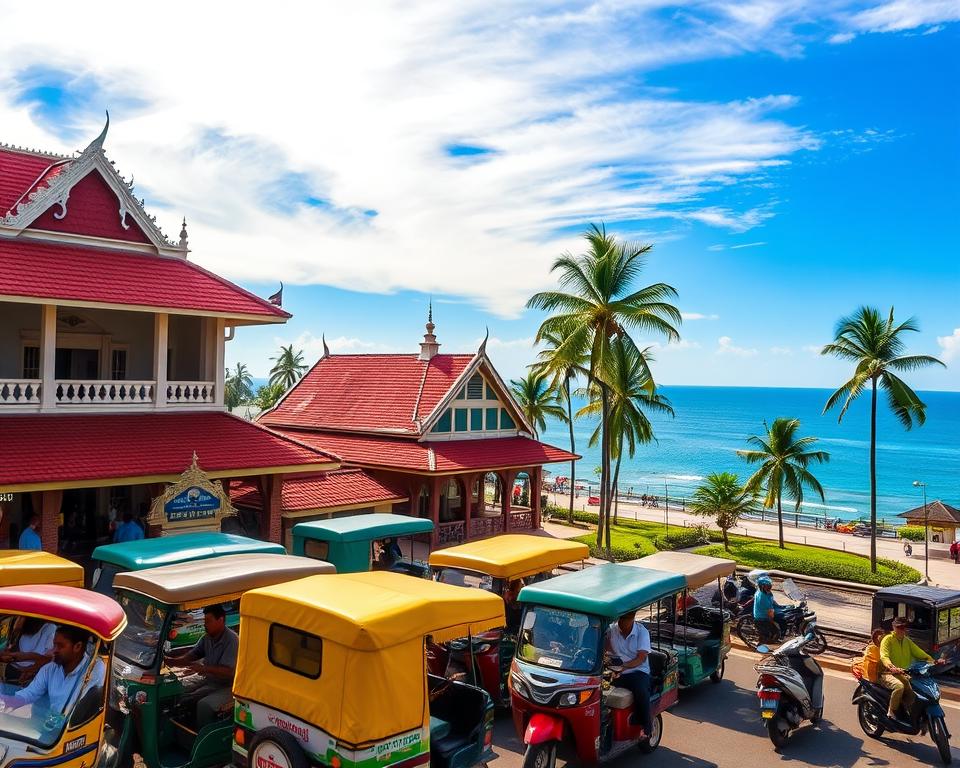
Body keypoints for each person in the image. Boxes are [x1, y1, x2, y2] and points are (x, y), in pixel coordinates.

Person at [0, 624, 104, 714]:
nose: (54, 650)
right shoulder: (49, 669)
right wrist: (6, 701)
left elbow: (71, 708)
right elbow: (30, 693)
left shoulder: (94, 668)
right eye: (54, 645)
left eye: (60, 646)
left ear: (77, 646)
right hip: (53, 728)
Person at [164, 605, 238, 728]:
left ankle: (201, 735)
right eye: (204, 621)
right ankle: (182, 725)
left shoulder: (232, 640)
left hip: (227, 686)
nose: (205, 624)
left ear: (221, 620)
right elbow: (192, 656)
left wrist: (203, 668)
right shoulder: (207, 638)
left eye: (208, 621)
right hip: (209, 680)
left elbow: (228, 671)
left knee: (203, 705)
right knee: (178, 692)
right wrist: (171, 661)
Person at [879, 616, 944, 720]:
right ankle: (891, 711)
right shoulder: (887, 640)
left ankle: (909, 711)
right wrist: (891, 667)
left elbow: (920, 653)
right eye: (899, 627)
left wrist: (934, 661)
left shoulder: (907, 641)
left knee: (916, 689)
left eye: (904, 627)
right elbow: (884, 656)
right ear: (894, 627)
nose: (902, 630)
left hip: (904, 673)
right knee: (899, 687)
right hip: (888, 673)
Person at [606, 610, 652, 738]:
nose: (621, 624)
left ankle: (646, 726)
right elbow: (607, 650)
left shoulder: (642, 632)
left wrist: (623, 667)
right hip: (616, 669)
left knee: (641, 690)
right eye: (620, 620)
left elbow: (641, 658)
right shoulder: (612, 630)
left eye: (625, 621)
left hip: (637, 670)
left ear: (632, 619)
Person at [0, 617, 56, 683]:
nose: (20, 619)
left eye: (23, 618)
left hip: (31, 677)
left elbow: (49, 658)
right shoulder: (14, 625)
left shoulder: (51, 628)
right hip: (10, 671)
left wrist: (30, 666)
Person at [753, 576, 789, 642]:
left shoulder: (763, 592)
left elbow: (772, 600)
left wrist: (780, 606)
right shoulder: (763, 597)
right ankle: (781, 635)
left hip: (764, 611)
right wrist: (772, 622)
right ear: (762, 586)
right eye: (767, 586)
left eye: (770, 585)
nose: (770, 587)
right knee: (782, 620)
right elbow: (770, 614)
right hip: (763, 616)